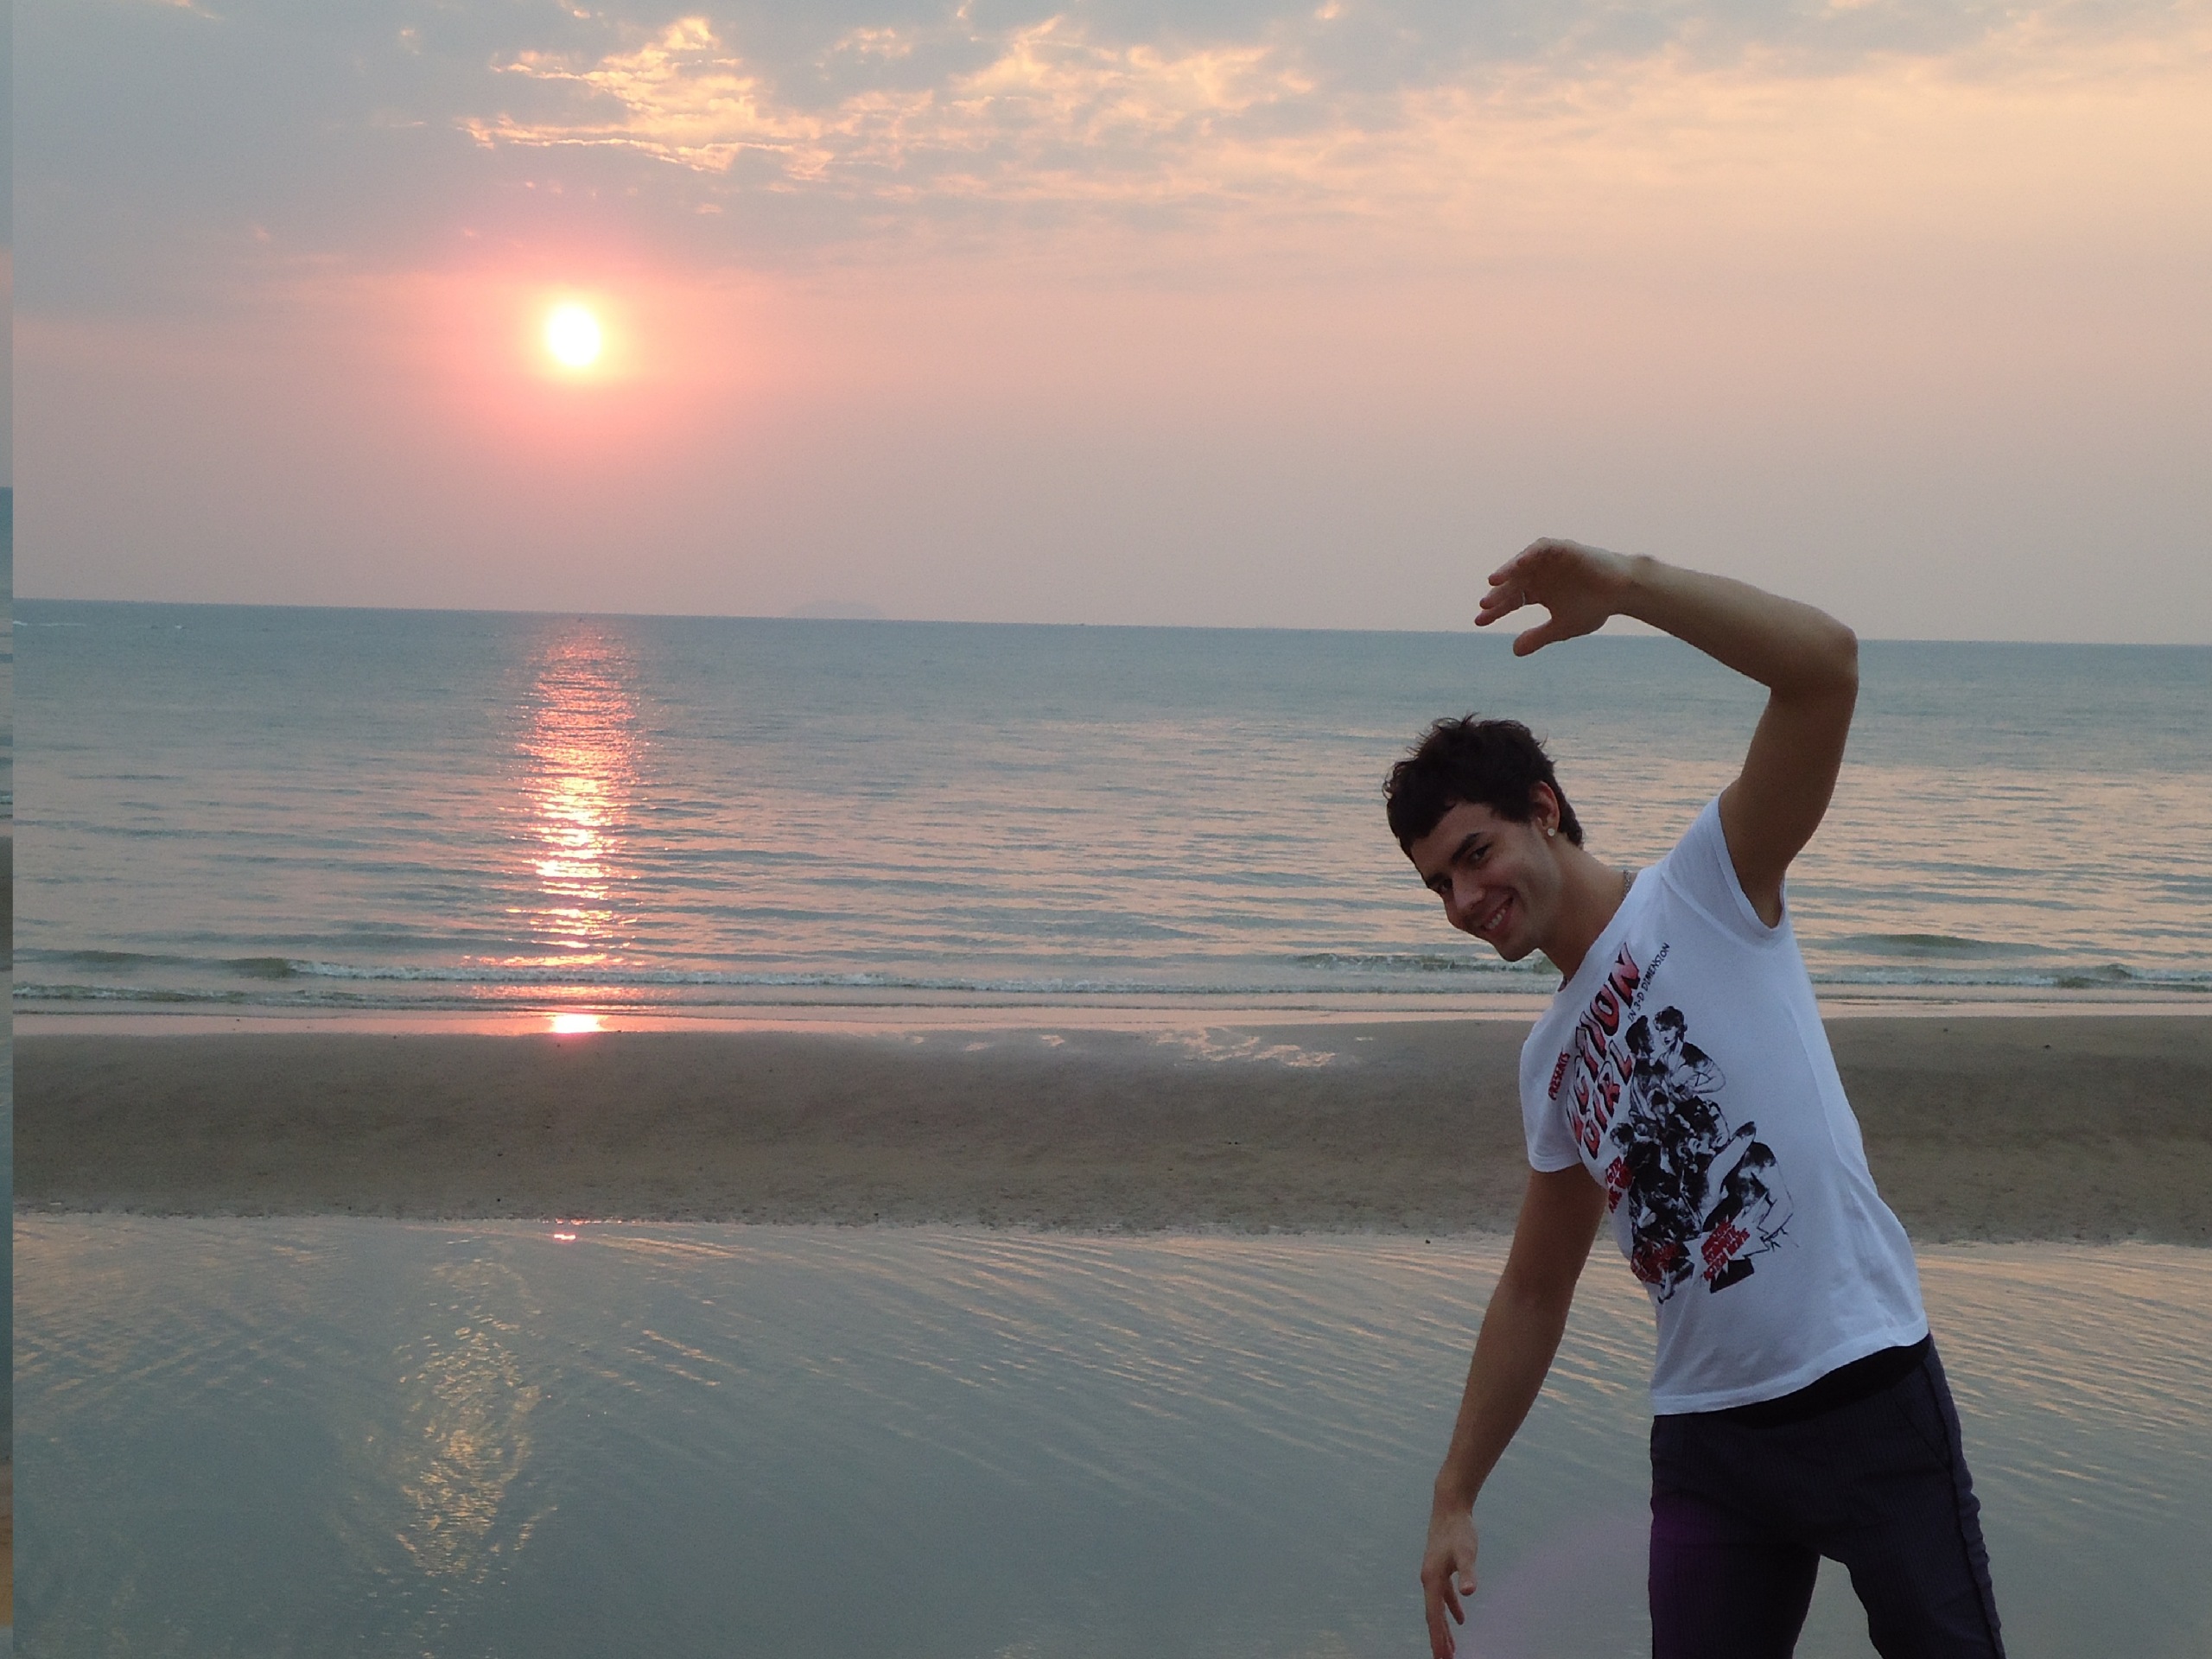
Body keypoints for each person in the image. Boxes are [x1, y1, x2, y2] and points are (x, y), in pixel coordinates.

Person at [1388, 538, 2004, 1658]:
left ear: (1544, 808)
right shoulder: (1551, 1061)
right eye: (1440, 884)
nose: (1465, 900)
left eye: (1475, 855)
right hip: (1710, 1442)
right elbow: (1533, 1290)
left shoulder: (1709, 885)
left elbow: (1824, 667)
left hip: (1863, 1381)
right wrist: (1454, 1492)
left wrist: (1629, 589)